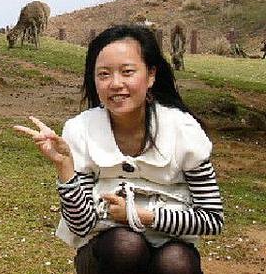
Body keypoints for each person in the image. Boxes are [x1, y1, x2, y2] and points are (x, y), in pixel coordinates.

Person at [14, 24, 223, 274]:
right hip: (108, 254)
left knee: (176, 262)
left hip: (171, 248)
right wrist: (65, 168)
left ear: (151, 75)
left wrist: (142, 216)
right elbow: (81, 226)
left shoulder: (184, 131)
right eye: (104, 74)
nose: (116, 83)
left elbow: (212, 218)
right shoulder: (81, 130)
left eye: (127, 72)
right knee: (125, 246)